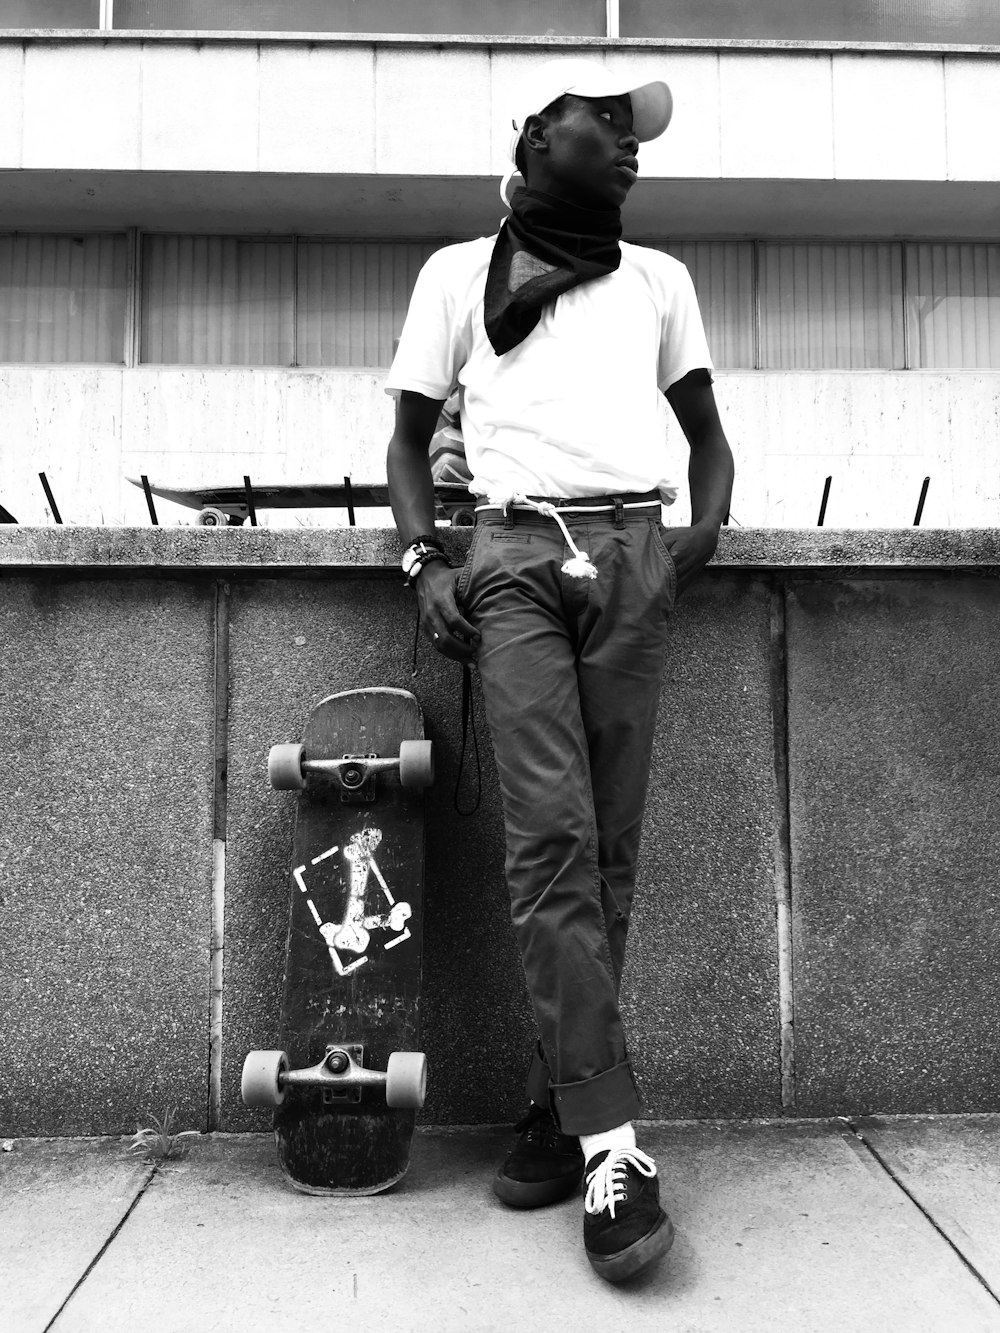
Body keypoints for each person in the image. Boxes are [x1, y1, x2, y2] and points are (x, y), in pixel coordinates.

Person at [385, 57, 735, 1283]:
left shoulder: (659, 280)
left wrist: (696, 535)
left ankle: (555, 1105)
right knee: (547, 837)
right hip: (516, 554)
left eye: (638, 135)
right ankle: (618, 1147)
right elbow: (404, 439)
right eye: (607, 125)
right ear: (536, 135)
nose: (632, 147)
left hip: (633, 550)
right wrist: (430, 561)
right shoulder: (452, 276)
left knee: (610, 848)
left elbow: (704, 427)